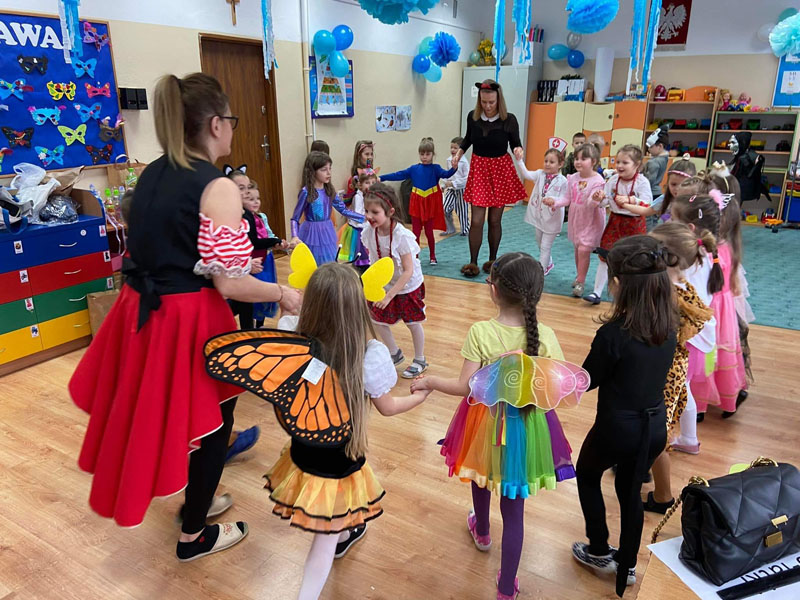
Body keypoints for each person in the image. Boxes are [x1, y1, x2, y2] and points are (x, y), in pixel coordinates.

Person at [68, 73, 302, 560]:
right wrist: (282, 293)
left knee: (169, 410)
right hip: (185, 317)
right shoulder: (216, 186)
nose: (232, 129)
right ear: (216, 124)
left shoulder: (151, 173)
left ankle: (196, 496)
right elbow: (230, 283)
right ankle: (194, 534)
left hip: (140, 311)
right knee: (214, 419)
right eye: (232, 121)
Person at [411, 252, 576, 600]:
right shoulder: (545, 335)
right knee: (514, 509)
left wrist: (430, 382)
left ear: (493, 289)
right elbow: (559, 388)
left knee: (480, 472)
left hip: (484, 422)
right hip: (527, 427)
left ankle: (483, 532)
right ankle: (506, 587)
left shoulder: (481, 332)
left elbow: (465, 387)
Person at [261, 263, 431, 600]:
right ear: (357, 307)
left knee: (333, 520)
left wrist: (286, 306)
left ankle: (343, 536)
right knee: (322, 542)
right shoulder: (368, 355)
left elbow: (285, 331)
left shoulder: (293, 337)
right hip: (339, 461)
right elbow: (388, 407)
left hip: (303, 448)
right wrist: (420, 397)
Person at [571, 235, 678, 596]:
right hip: (655, 427)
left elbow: (587, 380)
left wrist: (554, 375)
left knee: (587, 474)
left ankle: (599, 550)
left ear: (617, 284)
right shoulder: (669, 327)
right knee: (630, 491)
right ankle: (628, 566)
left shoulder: (612, 335)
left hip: (617, 428)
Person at [644, 222, 714, 513]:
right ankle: (641, 466)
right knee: (655, 428)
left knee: (656, 435)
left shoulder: (666, 295)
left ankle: (663, 496)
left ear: (665, 257)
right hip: (673, 367)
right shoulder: (683, 286)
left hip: (661, 371)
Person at [670, 189, 746, 419]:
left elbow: (685, 298)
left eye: (673, 220)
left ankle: (683, 430)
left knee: (681, 385)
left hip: (691, 334)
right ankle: (689, 432)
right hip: (703, 330)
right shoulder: (708, 254)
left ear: (689, 228)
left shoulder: (692, 261)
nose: (669, 224)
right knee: (686, 386)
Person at [453, 80, 527, 277]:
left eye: (491, 102)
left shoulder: (509, 119)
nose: (487, 106)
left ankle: (493, 261)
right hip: (479, 169)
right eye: (484, 102)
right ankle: (473, 262)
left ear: (498, 100)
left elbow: (516, 143)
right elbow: (468, 139)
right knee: (477, 221)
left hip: (500, 170)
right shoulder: (473, 117)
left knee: (494, 220)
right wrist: (459, 153)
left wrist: (518, 150)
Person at [360, 183, 428, 379]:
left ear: (390, 212)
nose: (369, 216)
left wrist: (390, 295)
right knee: (376, 318)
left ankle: (420, 359)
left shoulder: (401, 236)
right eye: (366, 211)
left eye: (375, 212)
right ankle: (394, 353)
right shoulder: (368, 232)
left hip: (407, 285)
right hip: (385, 283)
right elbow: (374, 260)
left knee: (413, 322)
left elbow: (408, 271)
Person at [583, 145, 653, 305]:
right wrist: (599, 198)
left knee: (634, 258)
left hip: (634, 223)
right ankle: (596, 292)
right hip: (615, 221)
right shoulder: (613, 180)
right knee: (605, 255)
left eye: (625, 162)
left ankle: (632, 294)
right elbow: (605, 202)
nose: (620, 166)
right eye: (618, 161)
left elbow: (647, 203)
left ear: (637, 165)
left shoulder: (642, 182)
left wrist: (630, 199)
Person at [379, 137, 456, 265]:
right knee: (415, 232)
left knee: (429, 232)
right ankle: (415, 256)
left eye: (427, 154)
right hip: (416, 203)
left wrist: (454, 167)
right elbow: (398, 174)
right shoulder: (414, 169)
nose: (424, 157)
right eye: (422, 154)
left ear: (433, 154)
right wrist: (381, 178)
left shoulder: (436, 168)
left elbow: (447, 174)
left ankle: (432, 256)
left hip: (429, 203)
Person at [543, 142, 605, 297]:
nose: (578, 162)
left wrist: (595, 198)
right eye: (576, 158)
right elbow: (567, 198)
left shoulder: (598, 180)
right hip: (576, 219)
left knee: (584, 249)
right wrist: (555, 202)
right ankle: (579, 276)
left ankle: (581, 282)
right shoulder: (572, 178)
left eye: (583, 159)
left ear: (594, 161)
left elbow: (591, 204)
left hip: (591, 220)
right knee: (578, 249)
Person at [289, 151, 364, 265]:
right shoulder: (306, 192)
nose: (329, 173)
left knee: (328, 263)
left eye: (330, 168)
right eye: (324, 169)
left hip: (327, 231)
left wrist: (364, 217)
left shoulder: (329, 191)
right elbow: (295, 218)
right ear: (312, 172)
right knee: (312, 264)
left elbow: (343, 210)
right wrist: (294, 235)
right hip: (311, 233)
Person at [516, 142, 568, 276]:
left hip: (553, 217)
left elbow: (565, 198)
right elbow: (527, 174)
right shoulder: (540, 174)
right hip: (539, 216)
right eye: (546, 161)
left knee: (545, 246)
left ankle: (541, 270)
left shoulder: (563, 181)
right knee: (539, 242)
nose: (547, 164)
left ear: (560, 164)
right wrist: (519, 161)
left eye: (552, 162)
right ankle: (548, 263)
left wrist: (554, 201)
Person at [337, 168, 376, 271]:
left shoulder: (371, 196)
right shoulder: (358, 197)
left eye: (373, 183)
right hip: (359, 230)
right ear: (360, 185)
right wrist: (368, 216)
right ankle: (361, 271)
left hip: (367, 227)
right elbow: (358, 214)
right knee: (361, 254)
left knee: (369, 252)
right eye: (367, 183)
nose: (370, 185)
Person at [441, 135, 470, 237]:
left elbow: (467, 178)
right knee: (445, 208)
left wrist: (454, 183)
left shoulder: (464, 162)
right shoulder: (449, 160)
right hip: (451, 189)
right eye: (451, 147)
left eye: (455, 148)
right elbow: (448, 174)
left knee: (462, 210)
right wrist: (443, 185)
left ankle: (465, 229)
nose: (452, 150)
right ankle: (450, 228)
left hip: (461, 189)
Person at [643, 127, 670, 199]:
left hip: (650, 193)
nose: (648, 149)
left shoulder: (653, 162)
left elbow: (649, 181)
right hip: (657, 192)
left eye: (651, 147)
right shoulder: (664, 159)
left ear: (660, 146)